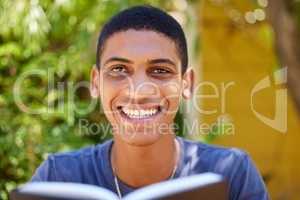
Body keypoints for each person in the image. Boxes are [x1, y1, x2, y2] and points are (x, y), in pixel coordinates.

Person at [31, 5, 269, 200]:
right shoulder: (58, 177)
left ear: (186, 83)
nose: (138, 91)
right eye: (119, 69)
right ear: (95, 82)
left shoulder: (232, 176)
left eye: (159, 70)